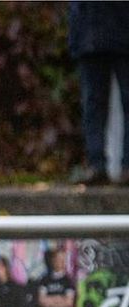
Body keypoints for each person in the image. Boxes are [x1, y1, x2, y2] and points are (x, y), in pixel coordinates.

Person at [68, 1, 129, 186]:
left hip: (100, 32)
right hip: (93, 33)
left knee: (94, 103)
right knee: (93, 103)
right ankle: (98, 165)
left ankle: (103, 165)